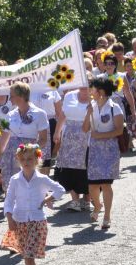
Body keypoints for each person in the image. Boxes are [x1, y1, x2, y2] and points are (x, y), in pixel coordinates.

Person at [2, 143, 65, 265]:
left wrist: (48, 199)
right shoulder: (15, 180)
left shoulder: (42, 179)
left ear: (37, 160)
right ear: (18, 160)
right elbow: (8, 201)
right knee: (27, 256)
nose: (26, 162)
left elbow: (60, 190)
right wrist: (9, 218)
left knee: (29, 256)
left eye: (30, 159)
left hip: (37, 221)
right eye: (22, 159)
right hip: (20, 221)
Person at [82, 76, 125, 230]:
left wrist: (100, 136)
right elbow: (85, 129)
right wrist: (88, 113)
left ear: (101, 91)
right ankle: (97, 205)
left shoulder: (115, 107)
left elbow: (119, 130)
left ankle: (107, 215)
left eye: (93, 88)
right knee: (93, 185)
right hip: (93, 149)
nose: (90, 90)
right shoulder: (91, 105)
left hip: (109, 150)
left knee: (106, 183)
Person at [0, 82, 49, 192]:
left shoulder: (39, 113)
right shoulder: (10, 115)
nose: (9, 99)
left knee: (28, 187)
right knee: (10, 188)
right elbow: (3, 142)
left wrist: (32, 148)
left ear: (21, 96)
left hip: (28, 156)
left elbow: (43, 139)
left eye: (12, 95)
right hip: (11, 156)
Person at [54, 78, 92, 212]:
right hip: (69, 137)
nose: (83, 87)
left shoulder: (95, 98)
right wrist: (57, 132)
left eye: (87, 85)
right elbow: (63, 115)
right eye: (81, 84)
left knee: (85, 168)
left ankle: (87, 199)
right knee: (66, 167)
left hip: (87, 136)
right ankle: (75, 200)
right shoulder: (70, 95)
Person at [30, 88, 61, 166]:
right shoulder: (29, 89)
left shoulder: (53, 91)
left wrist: (59, 131)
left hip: (50, 125)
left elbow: (59, 113)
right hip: (32, 124)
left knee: (46, 160)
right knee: (31, 156)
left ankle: (45, 176)